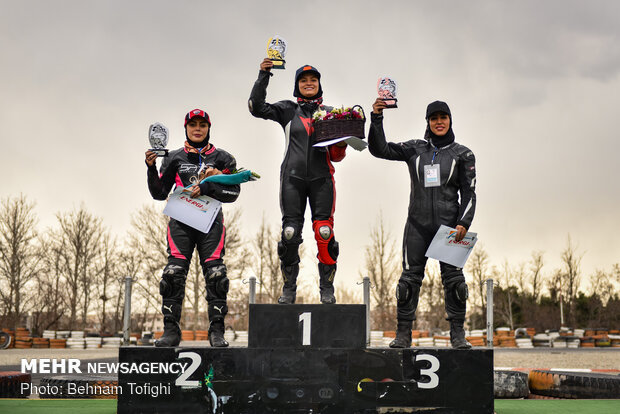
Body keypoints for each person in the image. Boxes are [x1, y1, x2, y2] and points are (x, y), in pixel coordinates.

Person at [368, 98, 476, 349]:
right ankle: (403, 334)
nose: (439, 122)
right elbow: (379, 149)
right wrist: (376, 117)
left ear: (450, 120)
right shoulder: (415, 149)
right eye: (434, 118)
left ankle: (458, 335)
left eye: (443, 117)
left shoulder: (463, 154)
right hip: (417, 225)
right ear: (427, 122)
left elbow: (469, 193)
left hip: (449, 227)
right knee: (407, 283)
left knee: (455, 283)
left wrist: (464, 222)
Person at [248, 59, 347, 304]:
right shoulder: (288, 110)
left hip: (322, 179)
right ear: (297, 86)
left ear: (319, 84)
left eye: (313, 80)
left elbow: (337, 156)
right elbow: (256, 107)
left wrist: (343, 142)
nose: (309, 83)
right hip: (292, 179)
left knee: (324, 232)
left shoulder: (332, 114)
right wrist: (264, 74)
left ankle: (327, 289)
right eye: (303, 80)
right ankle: (289, 289)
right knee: (290, 233)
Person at [145, 109, 240, 347]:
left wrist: (208, 187)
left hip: (211, 223)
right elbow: (159, 193)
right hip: (180, 222)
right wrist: (150, 167)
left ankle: (217, 332)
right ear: (186, 128)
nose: (197, 128)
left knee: (217, 275)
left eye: (202, 125)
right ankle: (171, 331)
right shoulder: (173, 157)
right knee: (172, 274)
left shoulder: (224, 158)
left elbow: (233, 193)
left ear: (209, 128)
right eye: (193, 125)